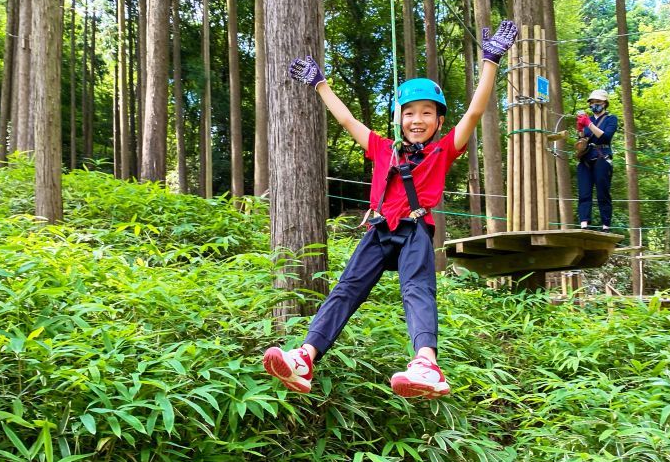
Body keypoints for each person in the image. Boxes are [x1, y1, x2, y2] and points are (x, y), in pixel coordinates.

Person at [261, 20, 518, 400]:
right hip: (379, 230)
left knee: (417, 289)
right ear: (398, 117)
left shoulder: (442, 150)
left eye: (427, 113)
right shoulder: (383, 149)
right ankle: (306, 356)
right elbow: (347, 120)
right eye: (410, 112)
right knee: (346, 288)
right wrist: (320, 84)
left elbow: (475, 114)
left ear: (439, 121)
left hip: (414, 229)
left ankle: (426, 363)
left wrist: (491, 61)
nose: (418, 120)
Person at [575, 89, 618, 231]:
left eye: (597, 102)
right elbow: (582, 139)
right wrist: (580, 129)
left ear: (605, 103)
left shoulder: (611, 119)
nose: (594, 105)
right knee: (584, 192)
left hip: (602, 157)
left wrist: (588, 124)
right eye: (592, 103)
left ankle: (605, 226)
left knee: (602, 193)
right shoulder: (590, 120)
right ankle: (584, 224)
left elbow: (605, 137)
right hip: (586, 158)